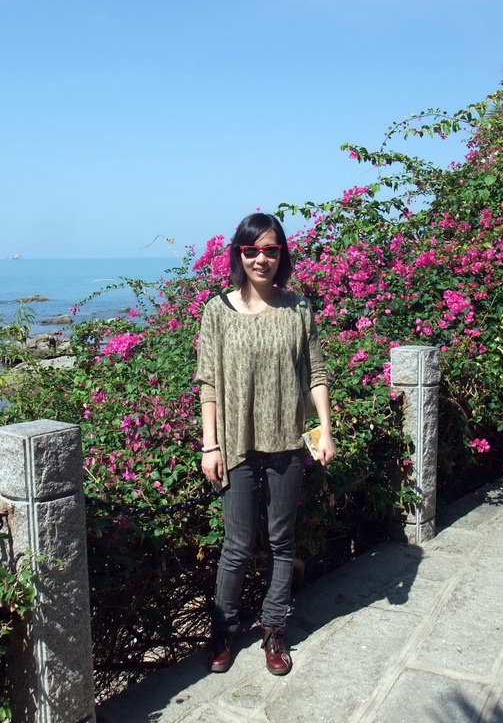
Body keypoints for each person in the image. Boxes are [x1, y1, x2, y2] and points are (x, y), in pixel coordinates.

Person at [195, 212, 337, 677]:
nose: (262, 258)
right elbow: (209, 384)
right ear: (238, 253)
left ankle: (273, 630)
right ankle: (224, 631)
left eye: (271, 250)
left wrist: (325, 430)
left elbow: (314, 373)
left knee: (281, 542)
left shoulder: (298, 309)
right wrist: (209, 445)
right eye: (252, 250)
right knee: (235, 545)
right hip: (234, 448)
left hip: (286, 445)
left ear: (282, 255)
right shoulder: (217, 310)